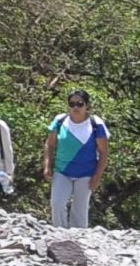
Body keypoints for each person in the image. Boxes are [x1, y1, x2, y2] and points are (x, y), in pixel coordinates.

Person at [42, 90, 107, 229]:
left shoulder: (96, 124)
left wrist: (97, 176)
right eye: (72, 104)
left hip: (86, 173)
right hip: (62, 171)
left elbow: (103, 152)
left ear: (86, 105)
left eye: (80, 104)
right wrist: (47, 165)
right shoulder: (60, 121)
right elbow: (50, 144)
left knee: (80, 209)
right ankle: (60, 234)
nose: (76, 107)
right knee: (57, 203)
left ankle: (78, 239)